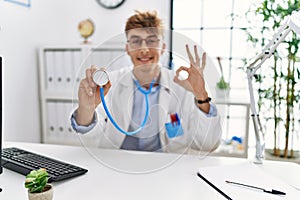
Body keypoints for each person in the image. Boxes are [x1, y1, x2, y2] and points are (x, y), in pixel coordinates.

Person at [71, 10, 221, 153]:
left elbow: (207, 144)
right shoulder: (109, 84)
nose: (144, 49)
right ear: (127, 48)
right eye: (136, 41)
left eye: (151, 41)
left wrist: (201, 94)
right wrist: (86, 108)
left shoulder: (183, 86)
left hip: (165, 167)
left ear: (162, 48)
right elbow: (89, 138)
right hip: (118, 162)